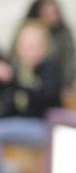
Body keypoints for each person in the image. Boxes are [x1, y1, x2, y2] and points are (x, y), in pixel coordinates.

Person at [0, 21, 62, 153]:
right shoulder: (17, 67)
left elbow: (45, 98)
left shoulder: (50, 69)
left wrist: (13, 79)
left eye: (35, 46)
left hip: (44, 125)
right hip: (17, 122)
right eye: (26, 46)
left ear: (45, 48)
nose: (30, 51)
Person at [23, 0, 76, 92]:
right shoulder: (29, 32)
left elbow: (70, 61)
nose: (53, 17)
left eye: (55, 12)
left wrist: (68, 85)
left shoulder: (64, 33)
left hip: (59, 82)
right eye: (47, 13)